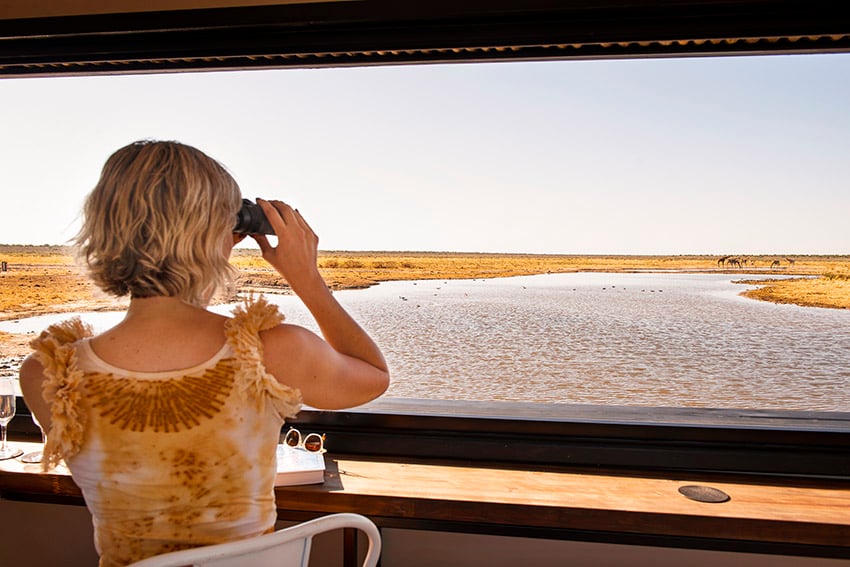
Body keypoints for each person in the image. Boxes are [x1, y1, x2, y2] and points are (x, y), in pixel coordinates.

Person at [19, 140, 389, 567]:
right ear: (216, 234)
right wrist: (307, 278)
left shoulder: (48, 373)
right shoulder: (270, 351)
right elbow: (373, 376)